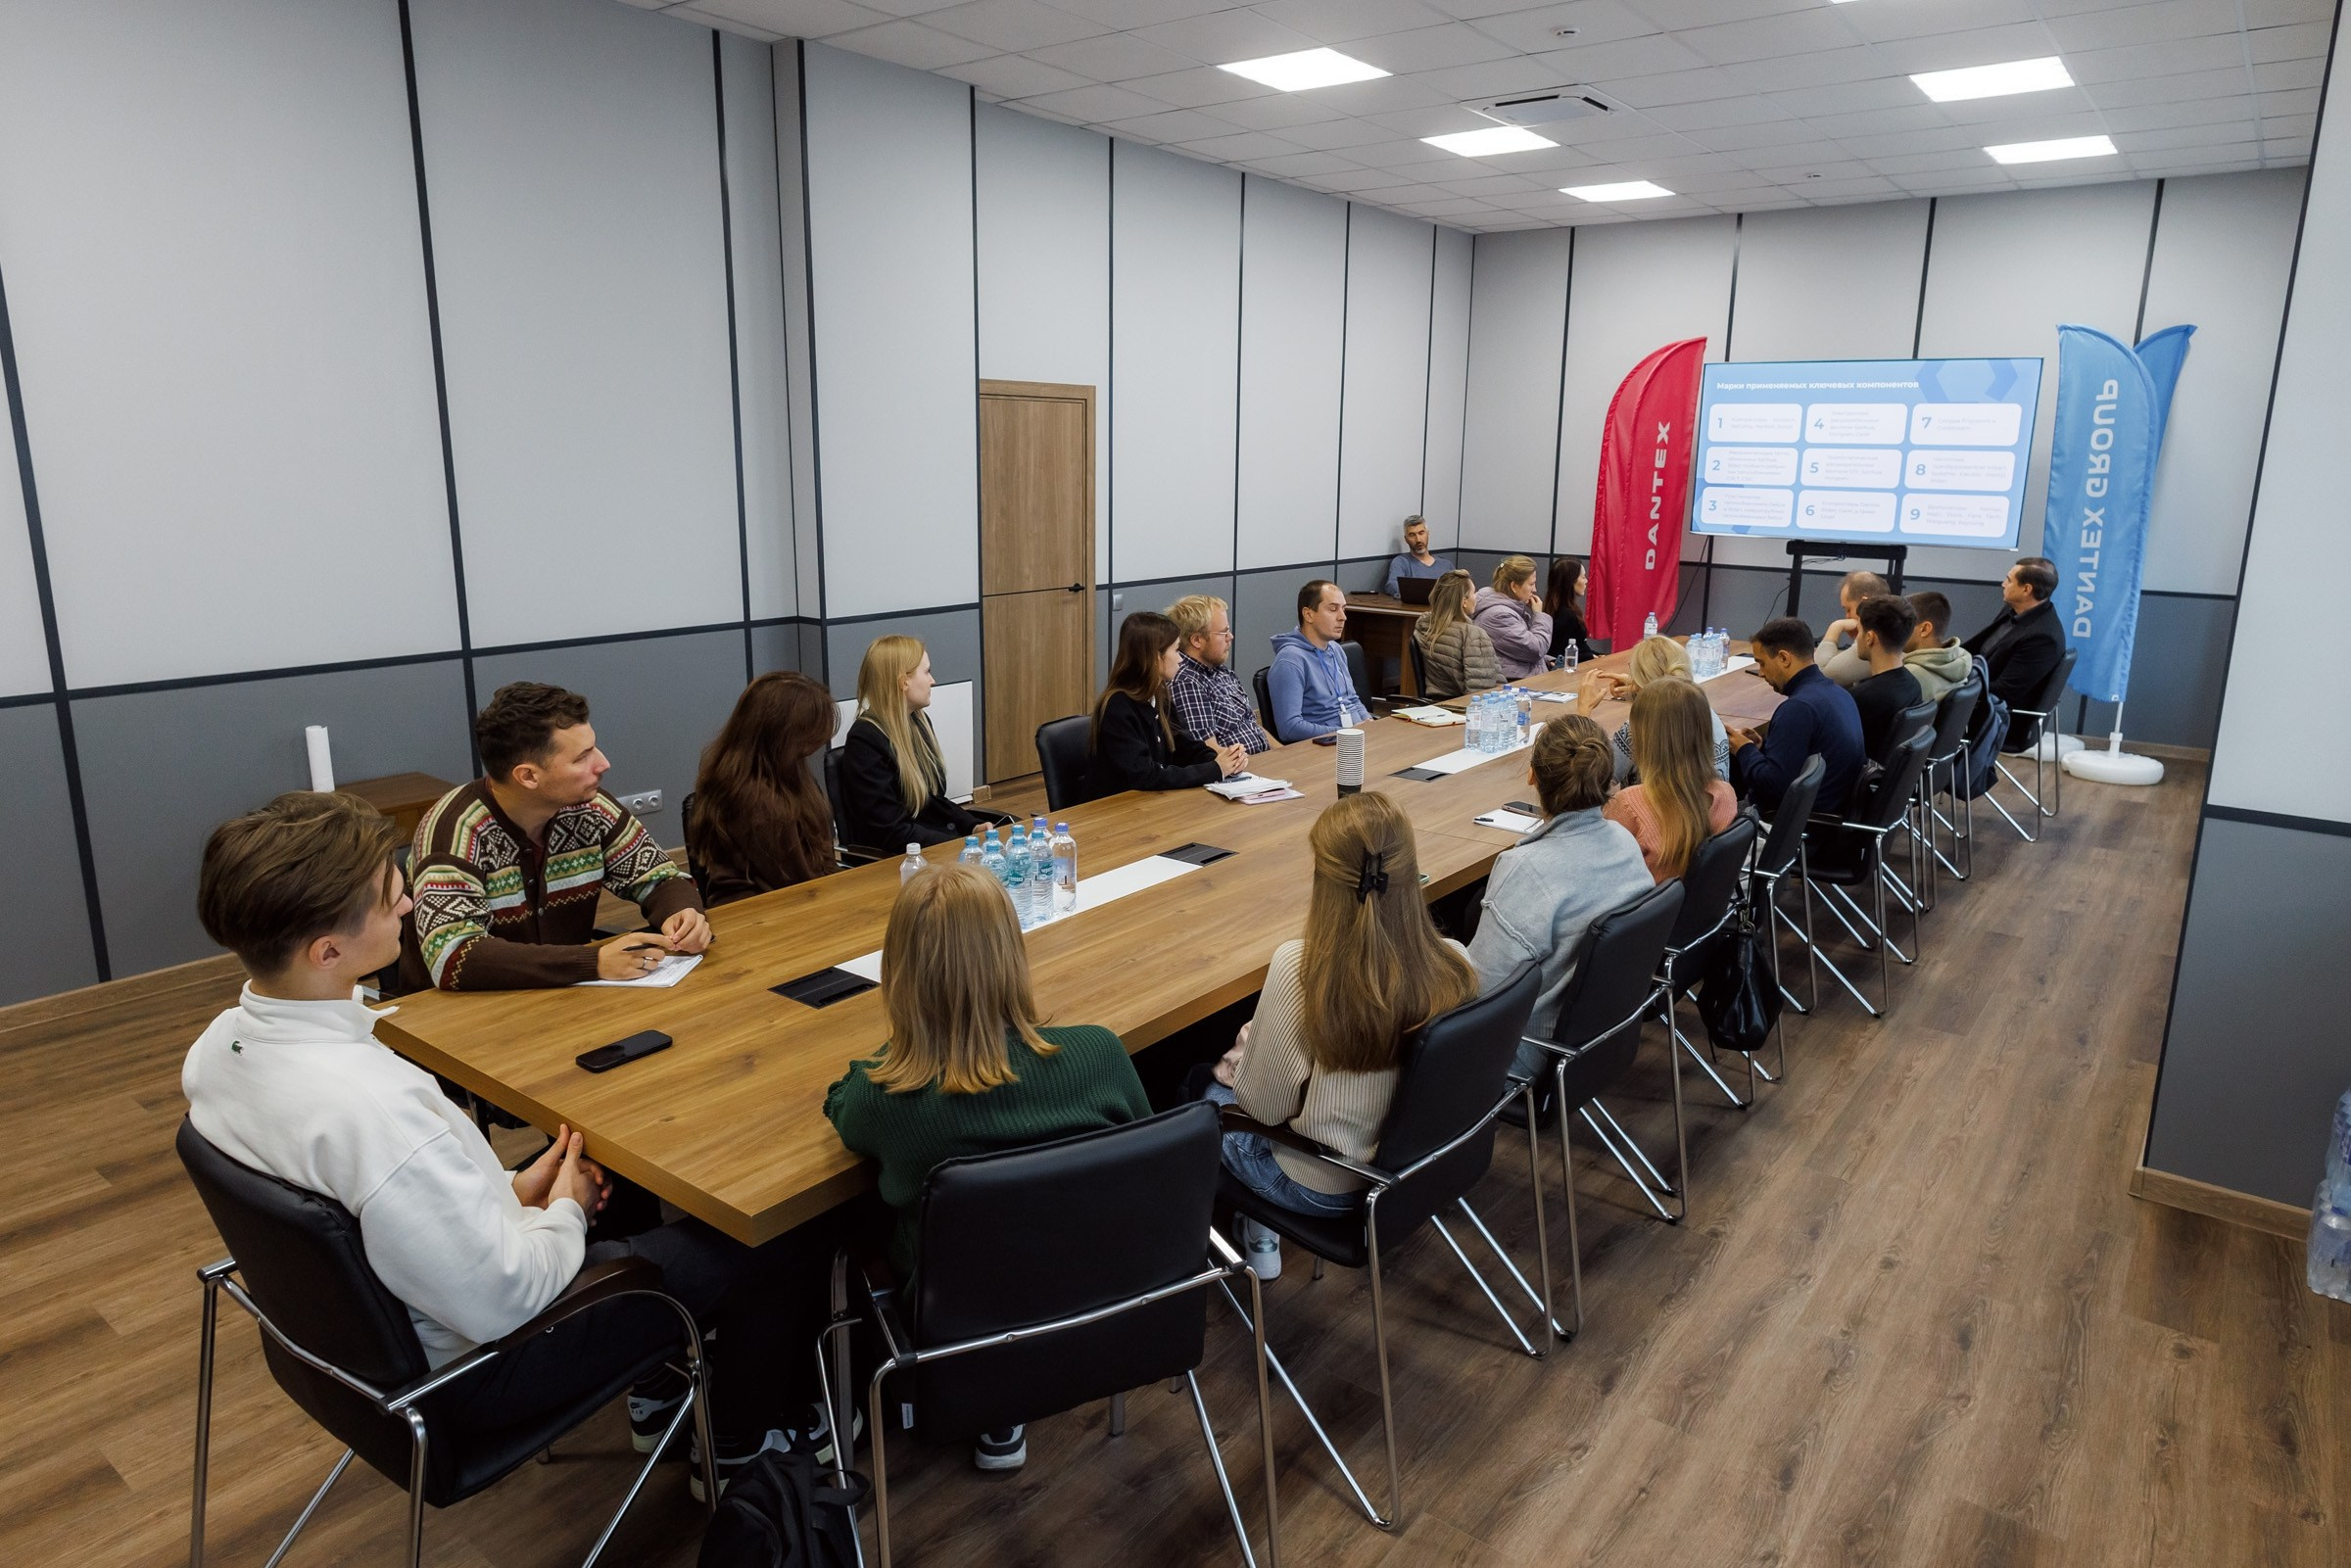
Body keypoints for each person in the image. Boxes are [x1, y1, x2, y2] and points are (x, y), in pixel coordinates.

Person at [188, 792, 822, 1494]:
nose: (407, 905)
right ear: (327, 950)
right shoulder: (373, 1108)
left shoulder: (219, 1050)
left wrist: (509, 1190)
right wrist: (568, 1211)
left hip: (349, 1345)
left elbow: (375, 1207)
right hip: (480, 1370)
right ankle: (741, 1450)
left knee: (618, 1166)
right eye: (388, 894)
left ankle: (661, 1396)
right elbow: (504, 1296)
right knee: (775, 1234)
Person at [825, 862, 1150, 1470]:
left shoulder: (887, 1096)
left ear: (898, 974)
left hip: (957, 1332)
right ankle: (1004, 1411)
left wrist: (902, 1053)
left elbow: (839, 1102)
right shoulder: (1100, 1055)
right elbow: (1143, 1170)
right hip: (1099, 1305)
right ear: (1013, 955)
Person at [1206, 792, 1478, 1278]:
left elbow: (1262, 1109)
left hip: (1322, 1185)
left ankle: (1254, 1229)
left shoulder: (1301, 968)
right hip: (1415, 1170)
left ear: (1323, 879)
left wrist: (1244, 1057)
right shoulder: (1456, 961)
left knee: (1201, 1097)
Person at [404, 683, 711, 992]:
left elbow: (659, 879)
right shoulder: (454, 832)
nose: (603, 763)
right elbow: (453, 957)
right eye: (583, 757)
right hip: (460, 1016)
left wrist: (683, 912)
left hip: (564, 998)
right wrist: (592, 962)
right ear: (528, 776)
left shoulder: (589, 809)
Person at [1462, 716, 1651, 1075]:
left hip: (1527, 1053)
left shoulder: (1526, 869)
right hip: (1603, 1035)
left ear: (1532, 775)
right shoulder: (1625, 842)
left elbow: (1479, 993)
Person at [688, 671, 838, 905]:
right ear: (779, 735)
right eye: (804, 741)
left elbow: (821, 862)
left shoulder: (786, 770)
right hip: (756, 912)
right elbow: (799, 881)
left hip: (798, 899)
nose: (811, 749)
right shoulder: (752, 798)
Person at [840, 635, 987, 851]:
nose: (933, 680)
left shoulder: (918, 722)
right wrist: (959, 846)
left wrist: (972, 826)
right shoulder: (865, 740)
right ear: (904, 682)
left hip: (926, 846)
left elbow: (931, 800)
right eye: (927, 672)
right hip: (897, 861)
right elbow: (892, 832)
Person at [1088, 611, 1248, 796]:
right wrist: (1214, 769)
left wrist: (1222, 760)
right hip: (1116, 811)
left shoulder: (1159, 696)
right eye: (1176, 650)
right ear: (1156, 657)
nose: (1181, 658)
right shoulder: (1118, 707)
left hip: (1147, 804)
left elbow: (1182, 746)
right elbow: (1145, 775)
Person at [1727, 617, 1865, 818]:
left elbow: (1772, 788)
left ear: (1784, 658)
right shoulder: (1840, 694)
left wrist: (1744, 750)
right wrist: (1761, 749)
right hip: (1833, 815)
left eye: (1762, 663)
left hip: (1799, 825)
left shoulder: (1798, 709)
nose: (1761, 673)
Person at [1605, 680, 1740, 883]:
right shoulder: (1726, 794)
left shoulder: (1629, 804)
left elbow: (1602, 870)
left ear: (1643, 737)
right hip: (1701, 909)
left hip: (1645, 911)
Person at [1580, 635, 1730, 784]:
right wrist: (1639, 687)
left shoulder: (1639, 728)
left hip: (1649, 807)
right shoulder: (1706, 713)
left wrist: (1583, 714)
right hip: (1712, 806)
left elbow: (1593, 781)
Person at [1962, 556, 2066, 748]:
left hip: (2002, 718)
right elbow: (1979, 649)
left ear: (2027, 589)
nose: (2003, 584)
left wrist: (1959, 683)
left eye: (2009, 580)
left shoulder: (2043, 637)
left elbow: (2005, 692)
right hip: (1979, 695)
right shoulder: (2014, 610)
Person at [1166, 594, 1272, 755]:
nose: (1230, 637)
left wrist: (1286, 754)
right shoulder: (1186, 681)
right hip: (1239, 772)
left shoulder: (1222, 671)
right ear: (1197, 640)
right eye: (1224, 632)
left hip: (1265, 762)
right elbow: (1209, 752)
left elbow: (1253, 726)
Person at [1268, 580, 1372, 742]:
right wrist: (1345, 732)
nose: (1343, 617)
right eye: (1333, 609)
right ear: (1308, 614)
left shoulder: (1335, 650)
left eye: (1343, 609)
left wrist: (1370, 726)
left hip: (1353, 738)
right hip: (1322, 747)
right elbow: (1289, 728)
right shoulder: (1290, 661)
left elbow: (1352, 700)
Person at [1847, 594, 1925, 761]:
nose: (1857, 638)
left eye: (1860, 631)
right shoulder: (1913, 685)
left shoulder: (1860, 698)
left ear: (1870, 638)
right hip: (1886, 782)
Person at [1412, 569, 1501, 700]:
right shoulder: (1473, 635)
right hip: (1464, 708)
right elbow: (1482, 692)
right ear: (1464, 601)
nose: (1476, 597)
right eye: (1474, 593)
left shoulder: (1424, 625)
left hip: (1436, 704)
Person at [1472, 555, 1556, 681]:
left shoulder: (1510, 607)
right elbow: (1535, 649)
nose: (1535, 589)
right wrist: (1539, 615)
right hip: (1513, 684)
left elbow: (1516, 651)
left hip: (1523, 679)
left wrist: (1547, 660)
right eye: (1531, 584)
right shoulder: (1498, 615)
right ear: (1514, 586)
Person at [1813, 570, 1892, 689]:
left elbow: (1818, 677)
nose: (1847, 616)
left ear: (1865, 603)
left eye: (1848, 609)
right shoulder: (1893, 628)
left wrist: (1835, 627)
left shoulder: (1875, 637)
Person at [1901, 591, 1973, 703]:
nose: (1897, 630)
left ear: (1925, 629)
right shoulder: (1959, 662)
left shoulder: (1910, 676)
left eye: (1904, 624)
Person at [1543, 556, 1599, 664]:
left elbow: (1580, 646)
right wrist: (1590, 656)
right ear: (1571, 581)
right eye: (1583, 577)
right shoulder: (1566, 616)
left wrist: (1594, 654)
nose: (1586, 581)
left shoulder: (1559, 609)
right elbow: (1557, 655)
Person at [1380, 514, 1452, 598]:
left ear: (1428, 534)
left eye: (1421, 533)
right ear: (1406, 539)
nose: (1418, 539)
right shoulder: (1401, 562)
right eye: (1412, 535)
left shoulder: (1446, 565)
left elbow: (1458, 590)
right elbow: (1392, 585)